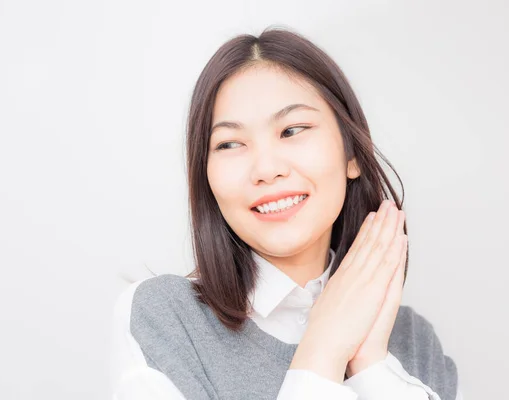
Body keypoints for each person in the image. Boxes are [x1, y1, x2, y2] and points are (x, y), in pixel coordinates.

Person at [110, 27, 462, 400]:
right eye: (230, 143)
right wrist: (322, 350)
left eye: (292, 130)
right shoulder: (164, 318)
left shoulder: (415, 342)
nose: (266, 168)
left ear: (352, 153)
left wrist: (371, 364)